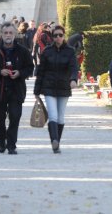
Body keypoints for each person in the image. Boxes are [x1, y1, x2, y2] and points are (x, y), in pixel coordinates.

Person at [0, 22, 34, 155]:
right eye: (5, 33)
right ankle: (2, 139)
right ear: (1, 34)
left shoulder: (22, 50)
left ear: (15, 34)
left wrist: (20, 73)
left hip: (16, 89)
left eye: (10, 33)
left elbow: (30, 67)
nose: (8, 35)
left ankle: (11, 145)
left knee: (15, 117)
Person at [34, 25, 78, 153]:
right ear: (52, 37)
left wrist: (73, 79)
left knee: (60, 117)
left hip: (64, 87)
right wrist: (37, 91)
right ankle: (54, 140)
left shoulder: (70, 51)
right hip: (49, 87)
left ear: (64, 36)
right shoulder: (47, 51)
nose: (58, 37)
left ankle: (57, 141)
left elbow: (74, 67)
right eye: (55, 35)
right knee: (52, 115)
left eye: (60, 35)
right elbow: (40, 71)